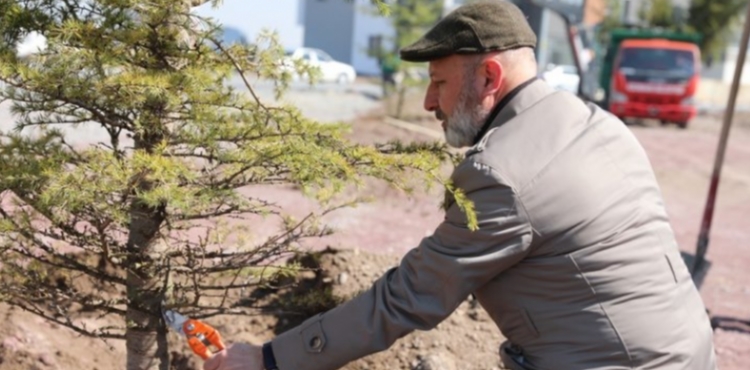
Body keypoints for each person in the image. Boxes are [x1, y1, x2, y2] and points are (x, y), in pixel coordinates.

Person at [204, 2, 717, 369]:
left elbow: (408, 297)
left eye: (439, 82)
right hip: (686, 352)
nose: (430, 102)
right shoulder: (595, 122)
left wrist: (270, 360)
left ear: (490, 77)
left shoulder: (504, 175)